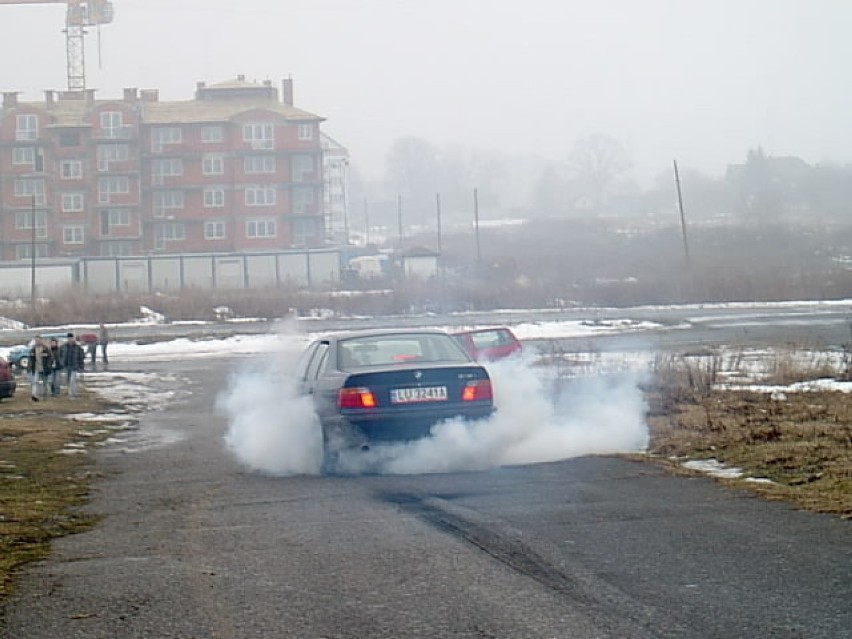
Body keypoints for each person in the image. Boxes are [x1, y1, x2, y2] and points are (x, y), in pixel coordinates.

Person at [27, 335, 53, 402]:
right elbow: (30, 359)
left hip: (44, 368)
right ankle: (34, 396)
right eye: (36, 340)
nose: (37, 342)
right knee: (35, 382)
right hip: (36, 368)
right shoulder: (32, 349)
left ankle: (46, 396)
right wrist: (29, 367)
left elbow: (50, 358)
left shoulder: (46, 349)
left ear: (41, 340)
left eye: (38, 340)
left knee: (45, 383)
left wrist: (49, 366)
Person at [58, 333, 85, 399]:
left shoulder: (77, 347)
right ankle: (72, 392)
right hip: (67, 366)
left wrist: (81, 366)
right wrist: (61, 362)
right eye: (69, 338)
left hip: (75, 366)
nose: (70, 339)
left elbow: (81, 357)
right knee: (69, 380)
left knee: (72, 380)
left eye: (71, 338)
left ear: (73, 338)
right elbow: (59, 355)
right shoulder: (63, 346)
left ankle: (72, 394)